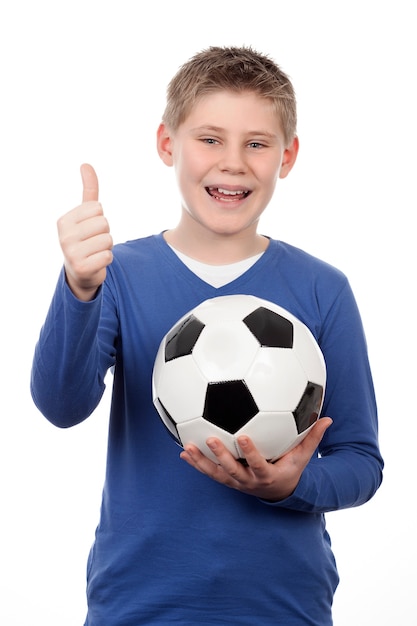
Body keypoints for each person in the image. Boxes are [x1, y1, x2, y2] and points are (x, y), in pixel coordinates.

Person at [31, 46, 383, 625]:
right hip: (138, 605)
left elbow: (361, 461)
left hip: (283, 607)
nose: (234, 162)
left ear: (286, 157)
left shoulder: (324, 289)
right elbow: (62, 406)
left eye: (257, 143)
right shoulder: (117, 274)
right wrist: (79, 286)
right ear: (168, 143)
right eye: (210, 139)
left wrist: (291, 484)